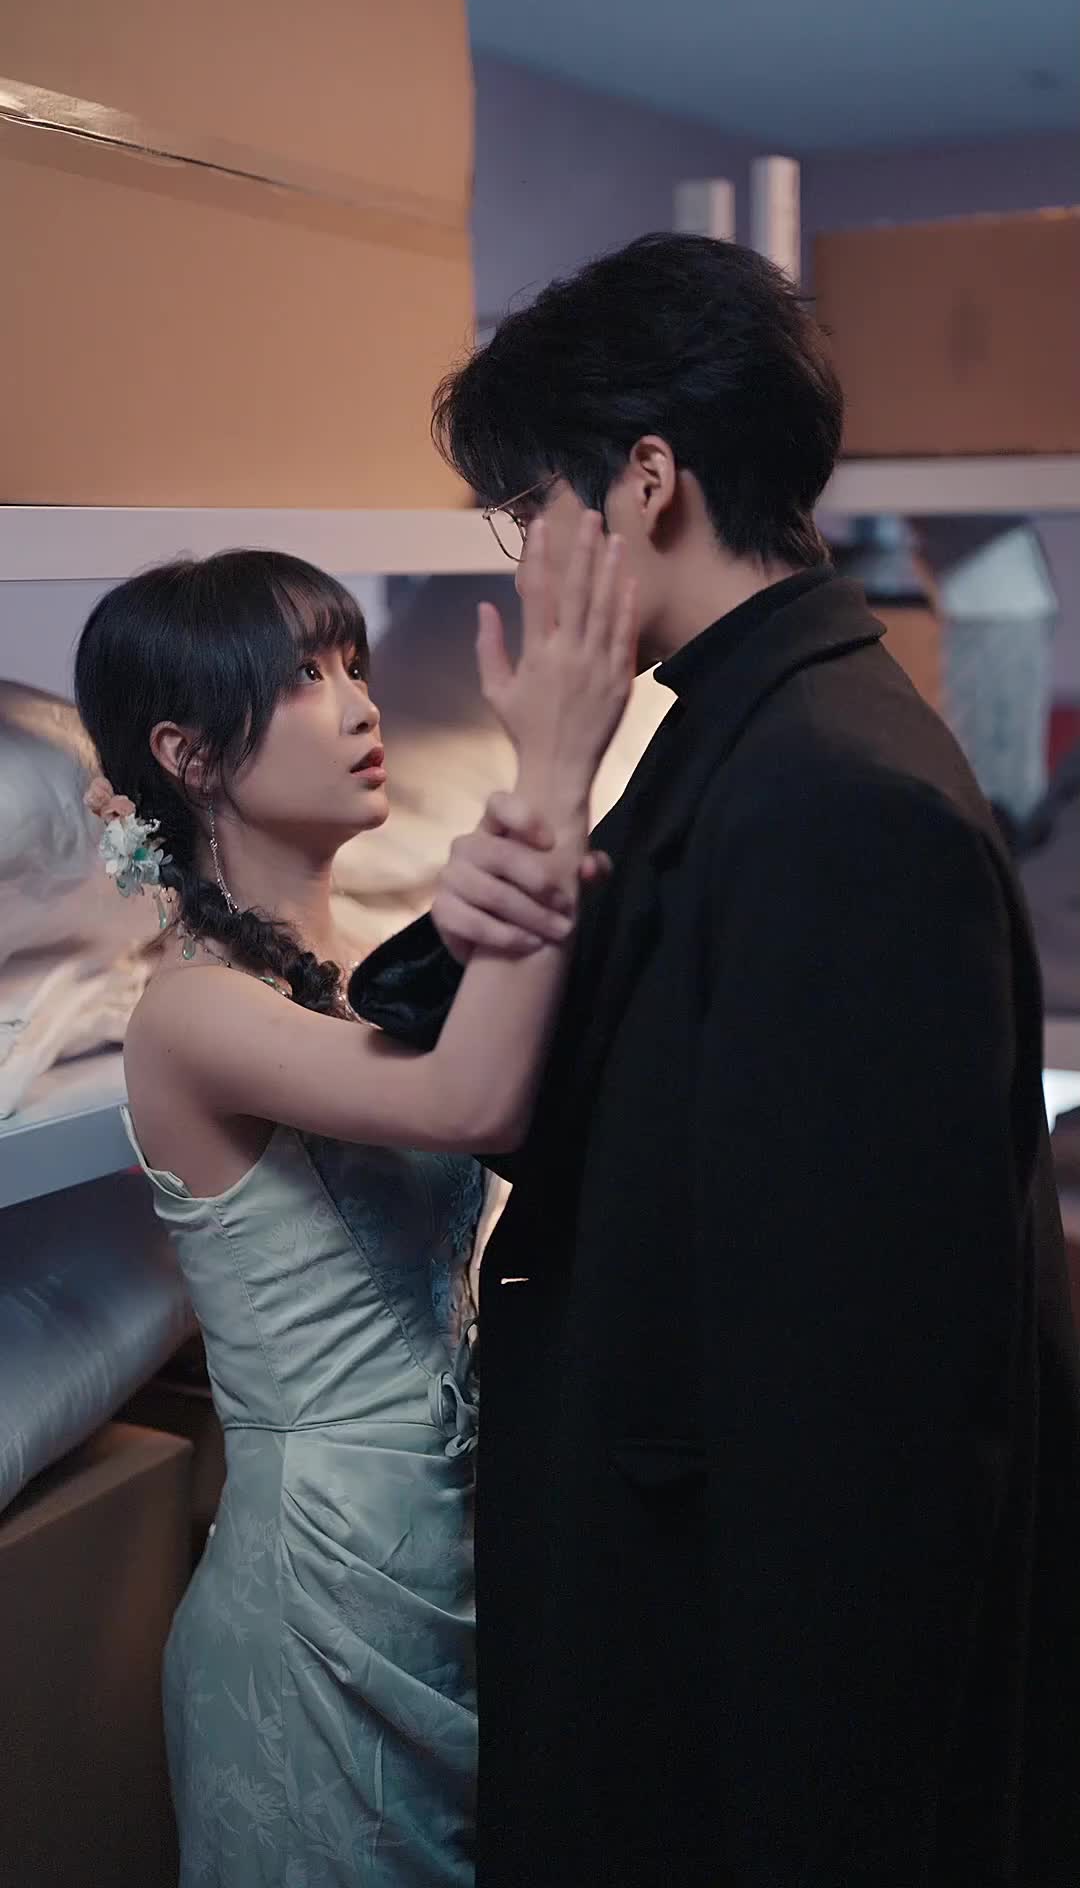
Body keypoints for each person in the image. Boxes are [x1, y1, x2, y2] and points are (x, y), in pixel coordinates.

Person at [350, 234, 1080, 1886]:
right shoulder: (739, 731)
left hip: (735, 1687)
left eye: (527, 507)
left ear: (645, 481)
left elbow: (868, 1418)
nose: (524, 556)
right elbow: (515, 1060)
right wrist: (536, 798)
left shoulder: (836, 794)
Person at [73, 539, 636, 1888]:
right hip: (318, 1596)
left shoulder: (353, 977)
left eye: (353, 664)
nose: (362, 704)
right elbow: (470, 1103)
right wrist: (553, 773)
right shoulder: (191, 1013)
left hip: (458, 1546)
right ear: (188, 756)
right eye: (304, 678)